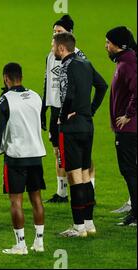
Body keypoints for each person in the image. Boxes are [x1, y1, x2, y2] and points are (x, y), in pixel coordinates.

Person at [52, 32, 108, 238]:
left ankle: (78, 228)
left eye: (53, 45)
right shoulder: (85, 63)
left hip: (72, 128)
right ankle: (89, 224)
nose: (52, 49)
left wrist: (62, 115)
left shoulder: (66, 66)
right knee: (85, 175)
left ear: (61, 48)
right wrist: (90, 110)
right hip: (87, 125)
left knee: (74, 177)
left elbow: (70, 94)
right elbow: (102, 86)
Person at [0, 63, 46, 255]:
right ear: (21, 76)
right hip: (36, 155)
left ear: (6, 78)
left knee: (16, 202)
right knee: (37, 199)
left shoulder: (4, 101)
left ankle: (20, 245)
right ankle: (39, 242)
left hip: (15, 158)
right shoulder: (36, 96)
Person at [41, 15, 96, 203]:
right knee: (58, 151)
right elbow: (48, 82)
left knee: (81, 154)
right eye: (54, 31)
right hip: (56, 109)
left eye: (60, 31)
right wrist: (44, 109)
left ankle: (90, 190)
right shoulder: (51, 55)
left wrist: (87, 109)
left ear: (69, 34)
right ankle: (62, 192)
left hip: (73, 111)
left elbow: (91, 83)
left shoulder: (79, 57)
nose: (56, 34)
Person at [105, 26, 137, 226]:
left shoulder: (128, 63)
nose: (106, 46)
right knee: (131, 170)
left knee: (129, 170)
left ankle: (135, 214)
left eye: (108, 42)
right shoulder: (124, 61)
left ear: (118, 45)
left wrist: (127, 115)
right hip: (127, 128)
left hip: (129, 129)